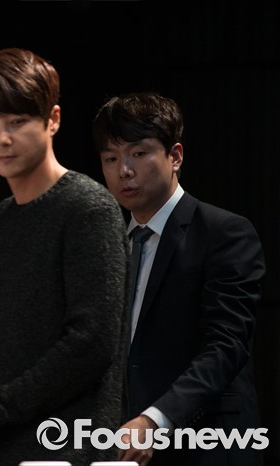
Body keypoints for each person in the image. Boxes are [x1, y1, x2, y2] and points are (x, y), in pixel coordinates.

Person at [0, 48, 129, 465]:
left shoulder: (88, 208)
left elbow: (91, 343)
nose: (1, 138)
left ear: (52, 119)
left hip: (66, 447)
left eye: (17, 122)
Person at [92, 91, 266, 466]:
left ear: (175, 156)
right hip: (123, 446)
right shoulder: (107, 245)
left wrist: (156, 419)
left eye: (139, 153)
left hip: (208, 444)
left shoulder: (224, 232)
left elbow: (226, 346)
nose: (124, 170)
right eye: (111, 158)